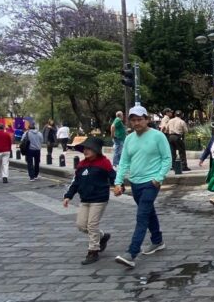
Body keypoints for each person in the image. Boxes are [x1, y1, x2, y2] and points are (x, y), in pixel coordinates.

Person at [113, 104, 172, 268]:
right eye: (133, 120)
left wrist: (159, 177)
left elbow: (167, 158)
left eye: (140, 119)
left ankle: (131, 253)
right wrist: (118, 181)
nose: (137, 123)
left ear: (147, 119)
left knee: (142, 216)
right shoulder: (129, 139)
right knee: (148, 212)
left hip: (151, 182)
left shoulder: (158, 136)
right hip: (135, 183)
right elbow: (124, 162)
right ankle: (158, 240)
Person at [63, 137, 115, 265]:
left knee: (92, 225)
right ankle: (102, 236)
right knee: (81, 225)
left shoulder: (104, 162)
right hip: (85, 199)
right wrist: (68, 196)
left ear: (96, 150)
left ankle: (93, 251)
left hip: (99, 198)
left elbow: (113, 177)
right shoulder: (81, 165)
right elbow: (76, 182)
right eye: (84, 148)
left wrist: (119, 186)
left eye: (89, 148)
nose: (85, 151)